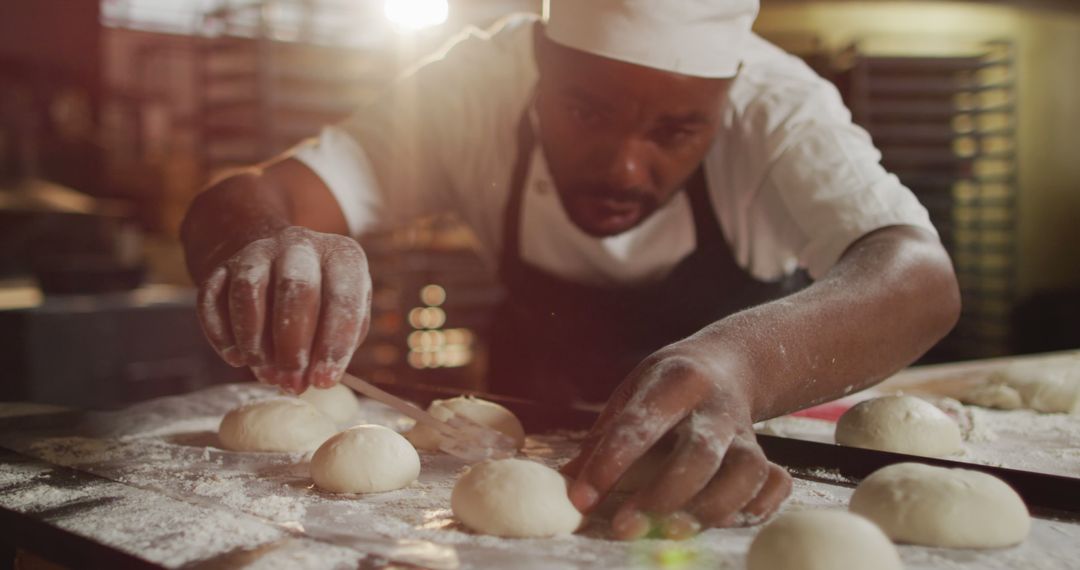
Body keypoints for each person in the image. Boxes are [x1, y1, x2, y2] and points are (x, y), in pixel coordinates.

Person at [180, 0, 960, 540]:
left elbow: (918, 276)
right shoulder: (471, 87)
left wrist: (742, 363)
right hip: (512, 432)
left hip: (718, 459)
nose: (625, 167)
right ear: (539, 62)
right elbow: (261, 192)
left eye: (678, 130)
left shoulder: (780, 108)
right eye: (587, 111)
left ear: (725, 103)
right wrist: (262, 238)